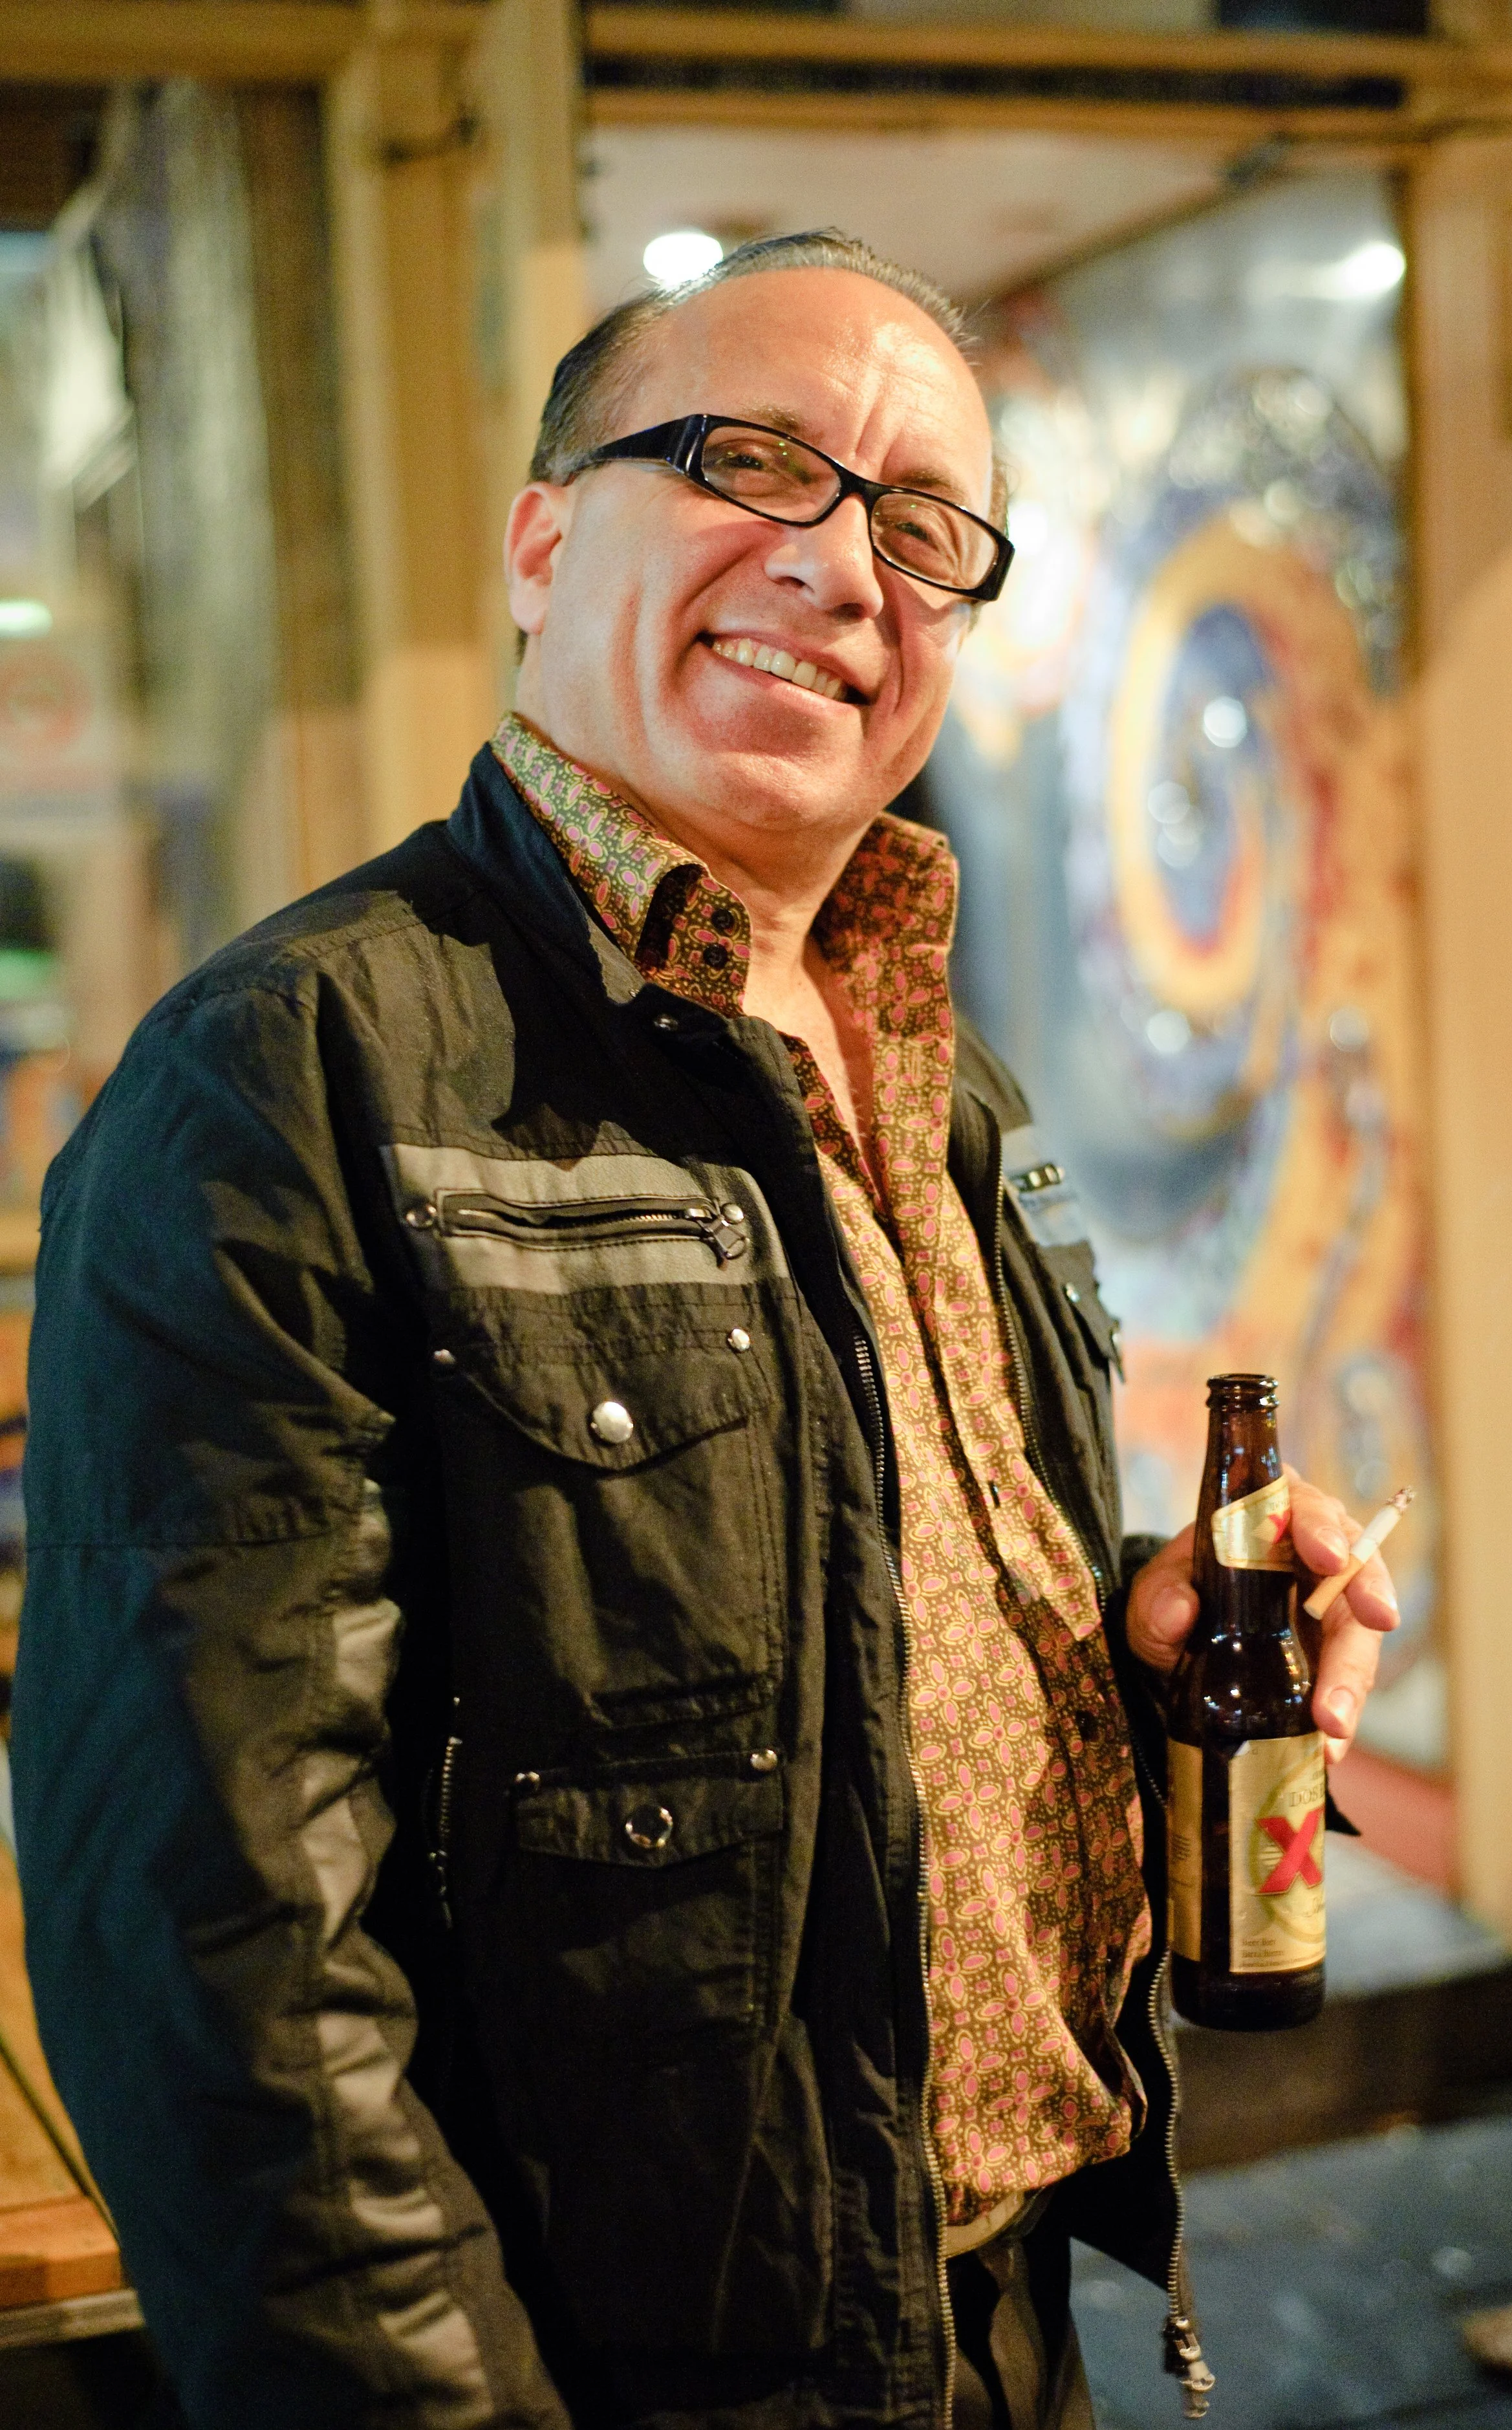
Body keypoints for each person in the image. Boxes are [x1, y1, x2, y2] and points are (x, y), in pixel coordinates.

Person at [13, 232, 1398, 2430]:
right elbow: (224, 1971)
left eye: (926, 524)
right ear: (544, 534)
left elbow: (821, 1643)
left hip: (996, 2300)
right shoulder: (289, 1073)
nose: (845, 564)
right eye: (750, 459)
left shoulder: (950, 1084)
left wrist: (1112, 1657)